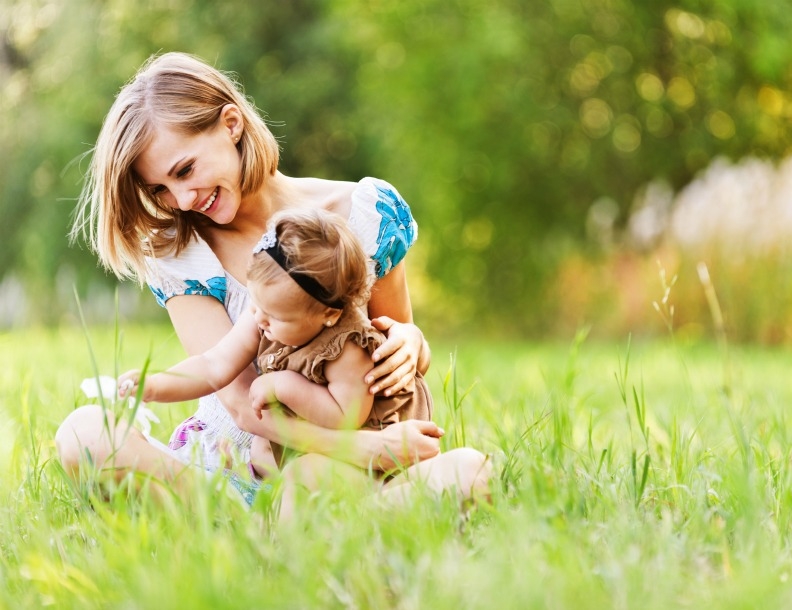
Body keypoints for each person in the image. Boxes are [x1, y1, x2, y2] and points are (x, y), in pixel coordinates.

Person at [55, 51, 490, 509]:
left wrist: (410, 343)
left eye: (185, 170)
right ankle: (279, 525)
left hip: (352, 470)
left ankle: (312, 528)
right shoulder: (183, 253)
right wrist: (357, 446)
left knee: (471, 472)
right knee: (84, 435)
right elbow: (243, 403)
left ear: (231, 124)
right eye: (160, 189)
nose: (181, 199)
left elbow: (393, 346)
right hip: (236, 472)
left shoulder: (365, 212)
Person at [117, 208, 434, 477]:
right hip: (322, 447)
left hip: (371, 445)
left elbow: (343, 418)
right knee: (274, 461)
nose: (261, 320)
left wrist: (286, 386)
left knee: (307, 475)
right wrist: (155, 385)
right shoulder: (266, 314)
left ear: (329, 314)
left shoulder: (348, 348)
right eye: (258, 306)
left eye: (275, 316)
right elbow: (214, 365)